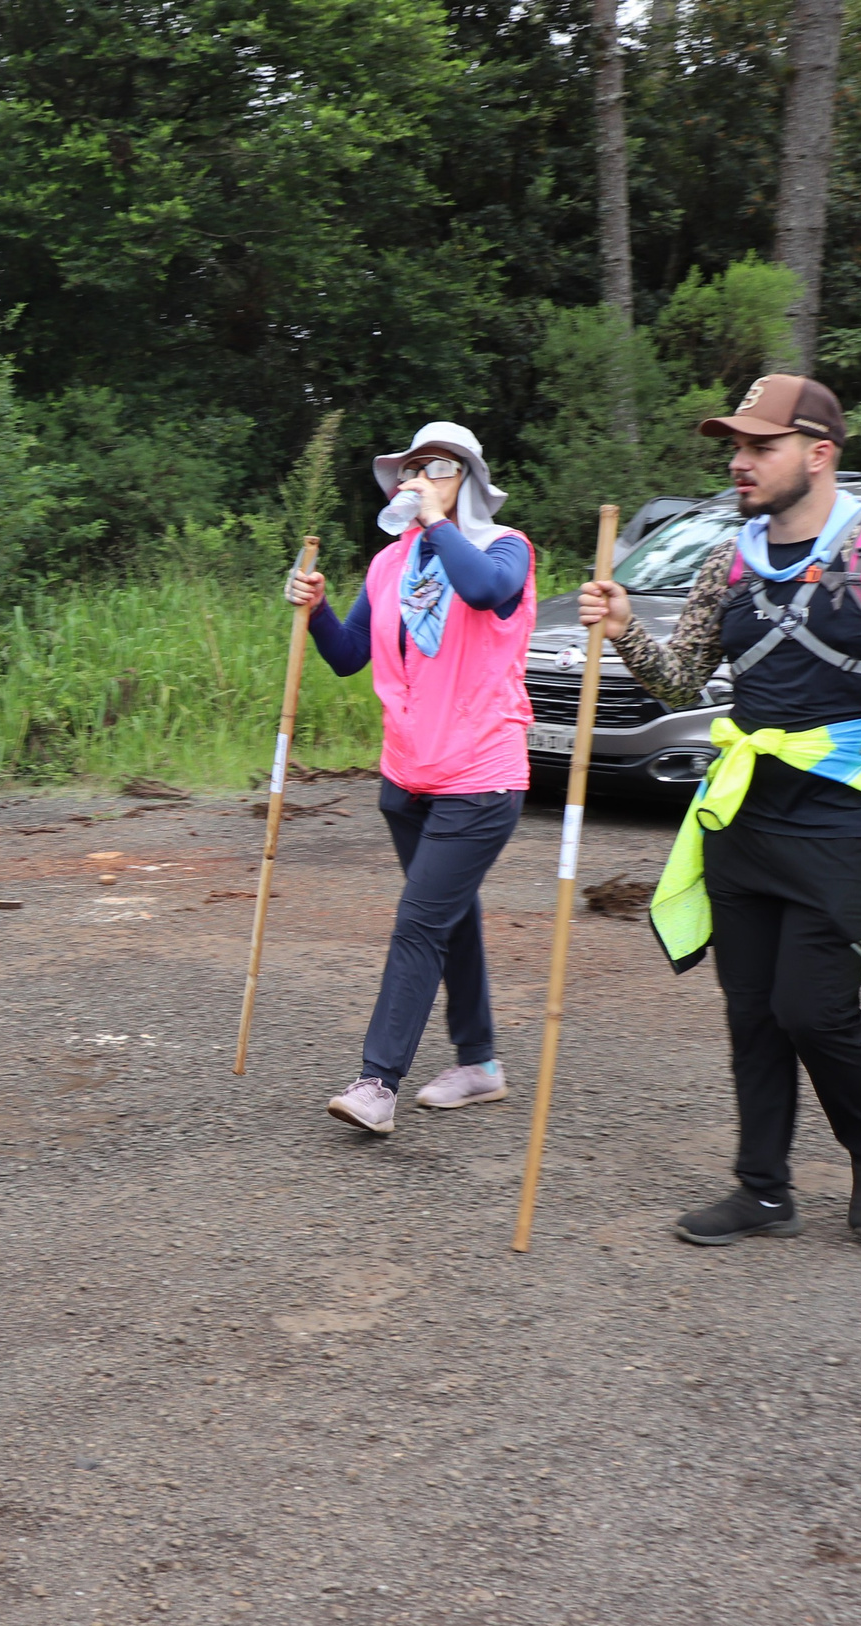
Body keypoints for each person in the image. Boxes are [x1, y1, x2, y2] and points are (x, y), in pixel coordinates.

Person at [579, 375, 861, 1245]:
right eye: (735, 446)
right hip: (743, 816)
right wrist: (624, 628)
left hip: (847, 818)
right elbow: (681, 679)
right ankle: (763, 1190)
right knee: (753, 1011)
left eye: (761, 446)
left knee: (814, 1008)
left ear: (820, 453)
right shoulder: (726, 558)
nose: (740, 461)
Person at [284, 422, 539, 1135]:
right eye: (410, 469)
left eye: (437, 468)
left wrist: (435, 523)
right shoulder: (389, 564)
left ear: (470, 482)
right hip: (407, 776)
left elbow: (484, 591)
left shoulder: (505, 548)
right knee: (448, 915)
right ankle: (480, 1064)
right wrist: (316, 610)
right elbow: (348, 655)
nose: (418, 479)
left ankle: (377, 1082)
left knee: (420, 922)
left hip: (482, 776)